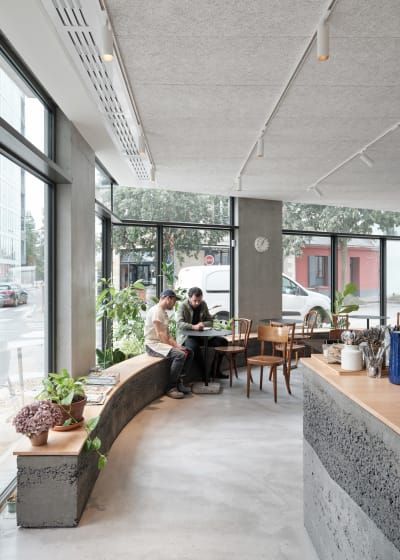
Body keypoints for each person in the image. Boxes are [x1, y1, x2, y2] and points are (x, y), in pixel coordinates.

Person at [144, 289, 193, 399]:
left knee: (189, 351)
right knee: (180, 355)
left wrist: (177, 346)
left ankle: (179, 382)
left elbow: (168, 335)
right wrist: (173, 348)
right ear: (168, 298)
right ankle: (171, 388)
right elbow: (160, 334)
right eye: (174, 301)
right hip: (153, 345)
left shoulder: (163, 313)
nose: (174, 304)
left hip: (160, 344)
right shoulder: (156, 311)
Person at [176, 286, 229, 379]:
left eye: (199, 300)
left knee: (223, 342)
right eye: (195, 300)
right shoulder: (182, 306)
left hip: (202, 336)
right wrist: (193, 326)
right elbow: (179, 324)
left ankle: (215, 371)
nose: (197, 303)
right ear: (189, 298)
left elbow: (210, 321)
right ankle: (204, 374)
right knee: (194, 348)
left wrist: (202, 324)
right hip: (188, 337)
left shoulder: (203, 304)